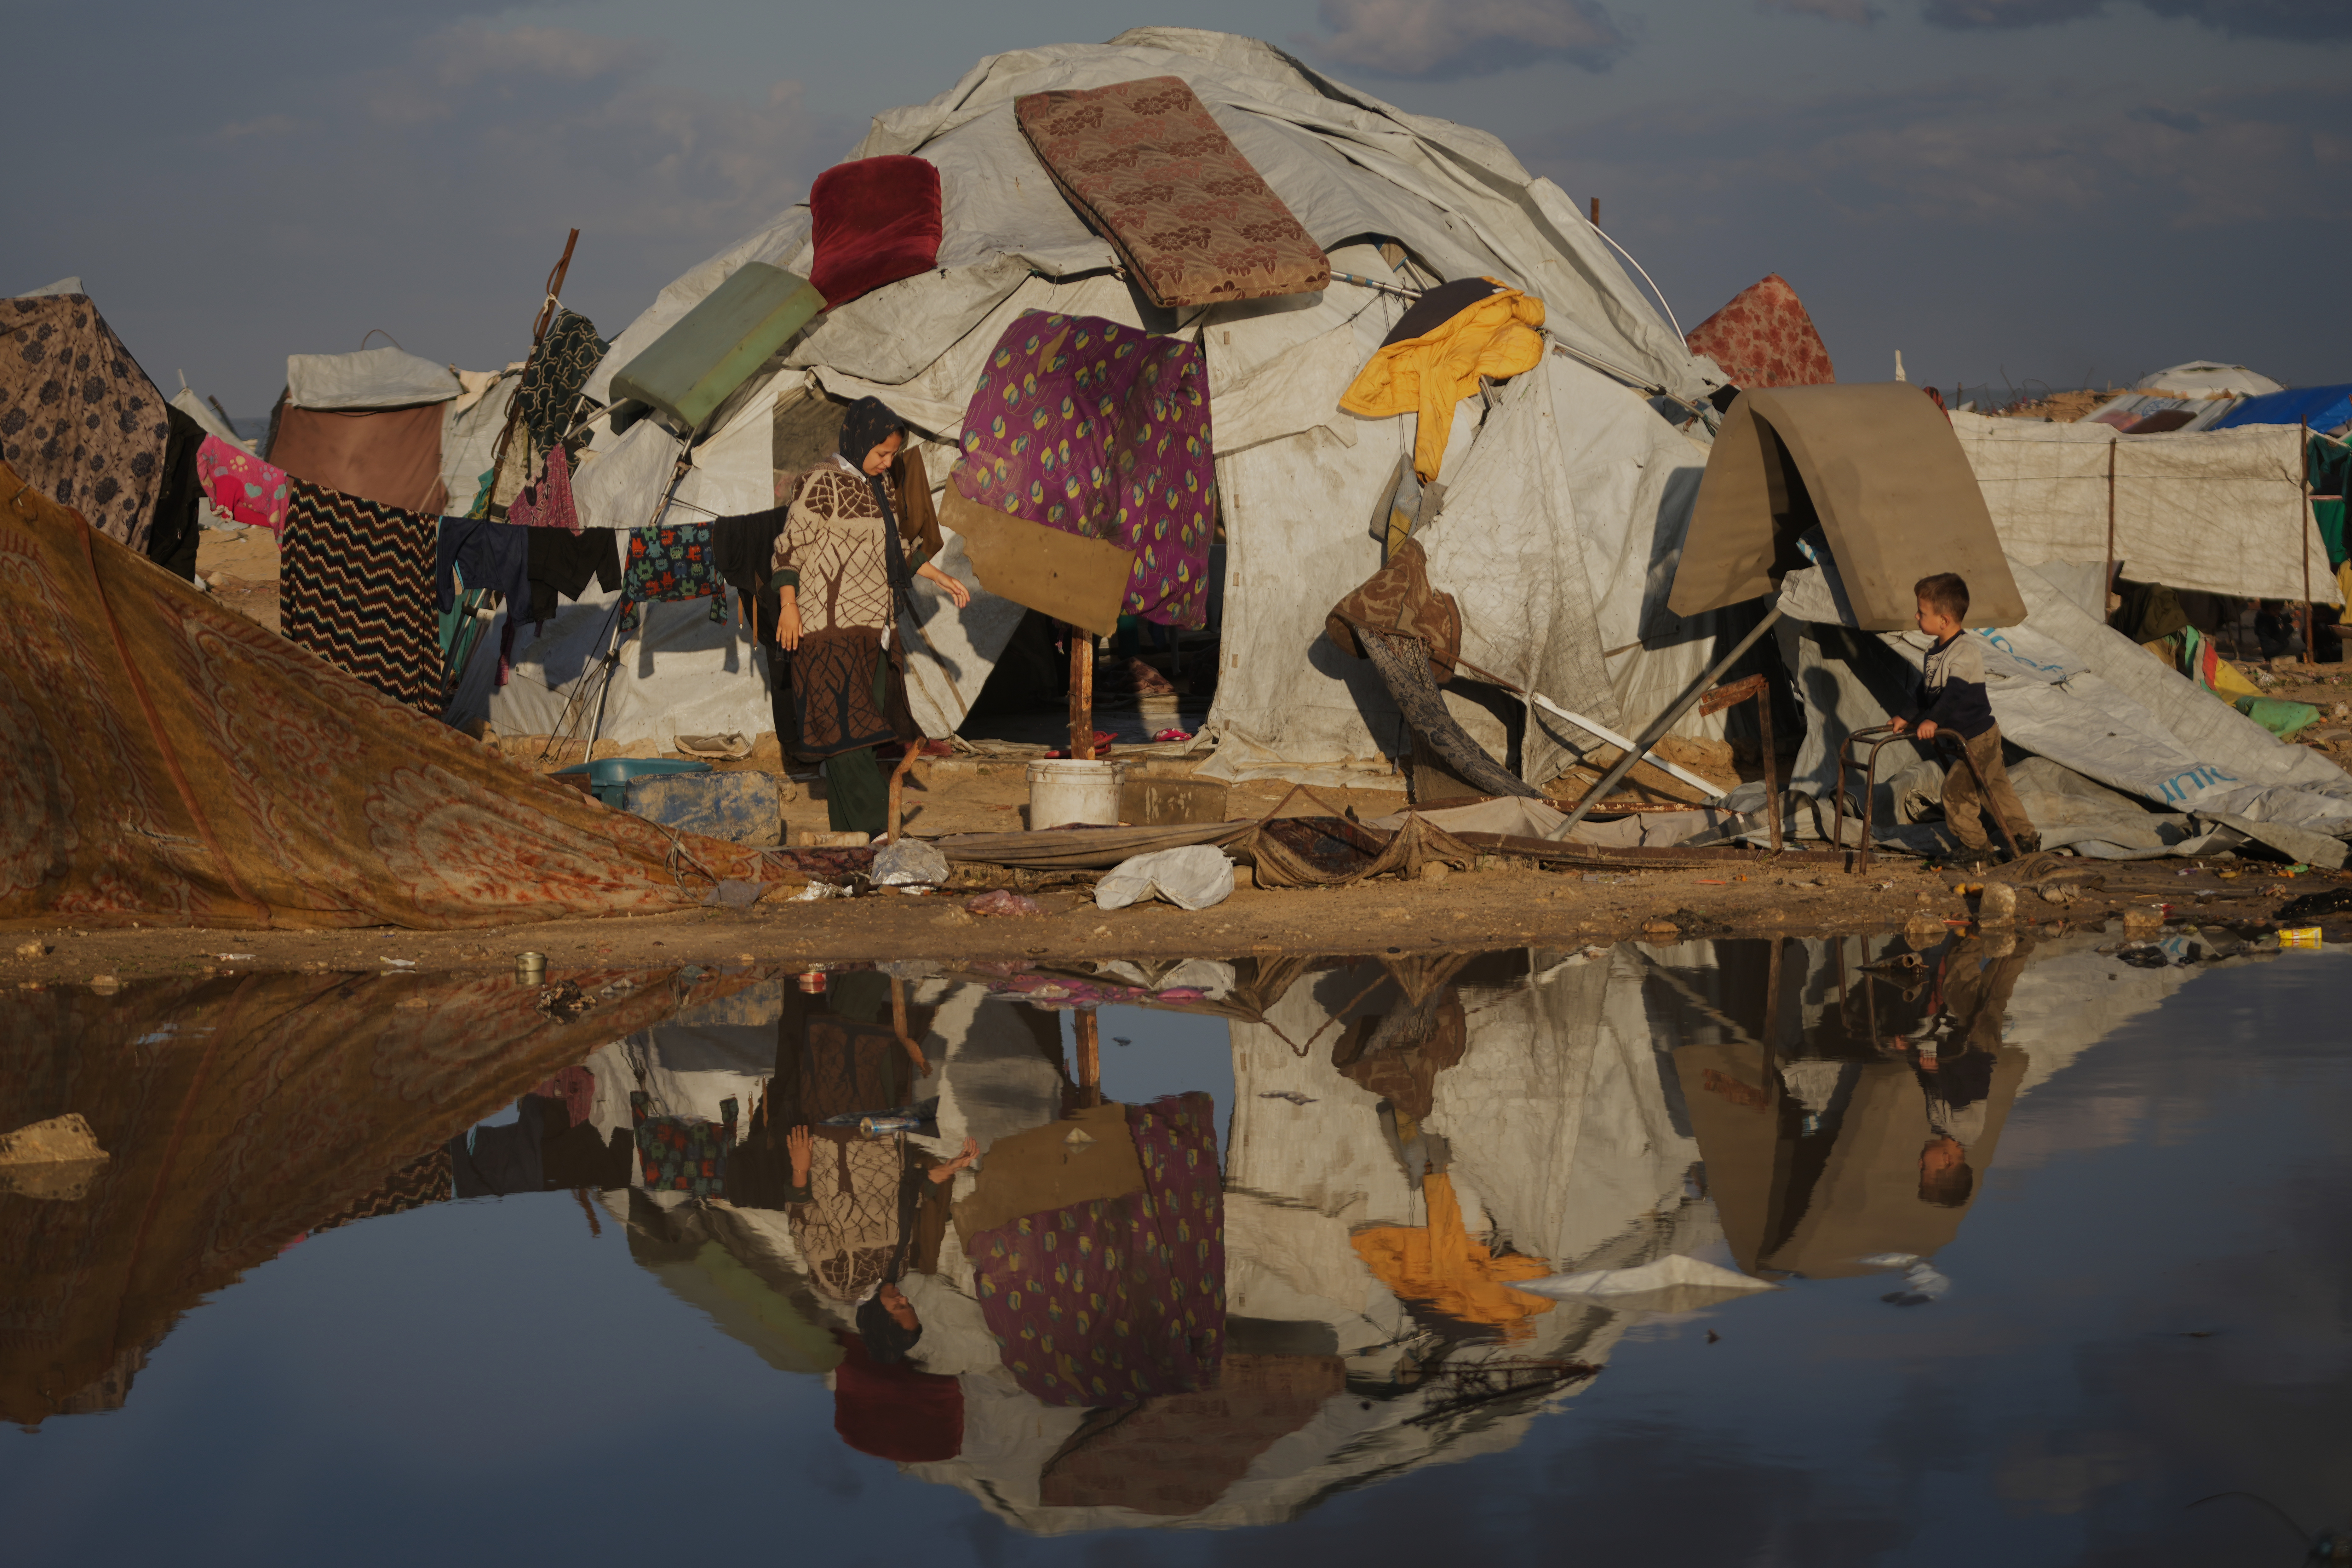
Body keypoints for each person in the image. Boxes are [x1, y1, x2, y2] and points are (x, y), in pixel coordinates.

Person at [770, 397, 970, 837]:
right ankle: (884, 830)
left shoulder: (880, 488)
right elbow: (789, 547)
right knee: (848, 736)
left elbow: (897, 549)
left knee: (857, 734)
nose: (887, 462)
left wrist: (940, 577)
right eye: (881, 454)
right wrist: (788, 605)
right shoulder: (821, 483)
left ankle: (853, 839)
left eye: (892, 455)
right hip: (826, 631)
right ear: (859, 440)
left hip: (874, 632)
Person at [1886, 573, 2037, 866]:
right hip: (1967, 737)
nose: (1916, 616)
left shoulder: (1965, 650)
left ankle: (1976, 847)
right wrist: (1905, 716)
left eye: (1922, 612)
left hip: (1979, 737)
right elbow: (1924, 691)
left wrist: (1932, 721)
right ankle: (2024, 837)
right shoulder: (1935, 652)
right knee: (1997, 790)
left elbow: (1954, 693)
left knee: (1955, 792)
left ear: (1944, 620)